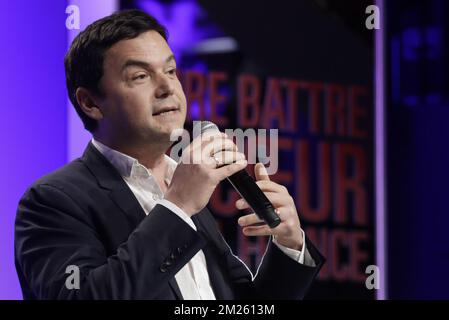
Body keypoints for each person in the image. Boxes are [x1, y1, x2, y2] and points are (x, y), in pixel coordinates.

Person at [14, 9, 324, 300]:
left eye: (171, 70)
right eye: (140, 76)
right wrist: (178, 206)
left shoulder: (182, 185)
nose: (167, 87)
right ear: (91, 103)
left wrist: (289, 243)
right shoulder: (52, 201)